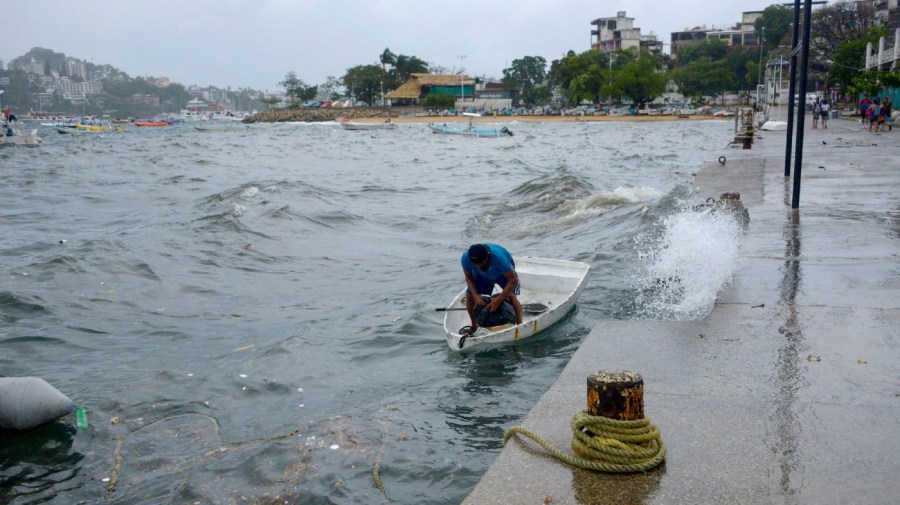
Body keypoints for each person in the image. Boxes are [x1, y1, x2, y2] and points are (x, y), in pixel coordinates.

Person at [460, 243, 523, 333]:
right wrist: (475, 295)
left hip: (501, 273)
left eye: (481, 263)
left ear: (488, 256)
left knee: (511, 295)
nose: (478, 266)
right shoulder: (465, 258)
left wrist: (499, 299)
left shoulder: (499, 259)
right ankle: (474, 326)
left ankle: (520, 325)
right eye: (475, 264)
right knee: (469, 295)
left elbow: (513, 280)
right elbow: (468, 278)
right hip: (481, 275)